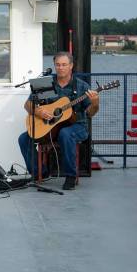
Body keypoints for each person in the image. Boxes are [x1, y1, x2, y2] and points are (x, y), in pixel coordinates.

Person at [17, 52, 99, 190]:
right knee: (24, 138)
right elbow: (28, 105)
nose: (60, 68)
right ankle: (39, 173)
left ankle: (70, 176)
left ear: (71, 66)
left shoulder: (81, 86)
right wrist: (38, 111)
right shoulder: (46, 83)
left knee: (66, 134)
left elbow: (90, 113)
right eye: (58, 65)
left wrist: (95, 103)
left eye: (64, 65)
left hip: (77, 126)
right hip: (51, 127)